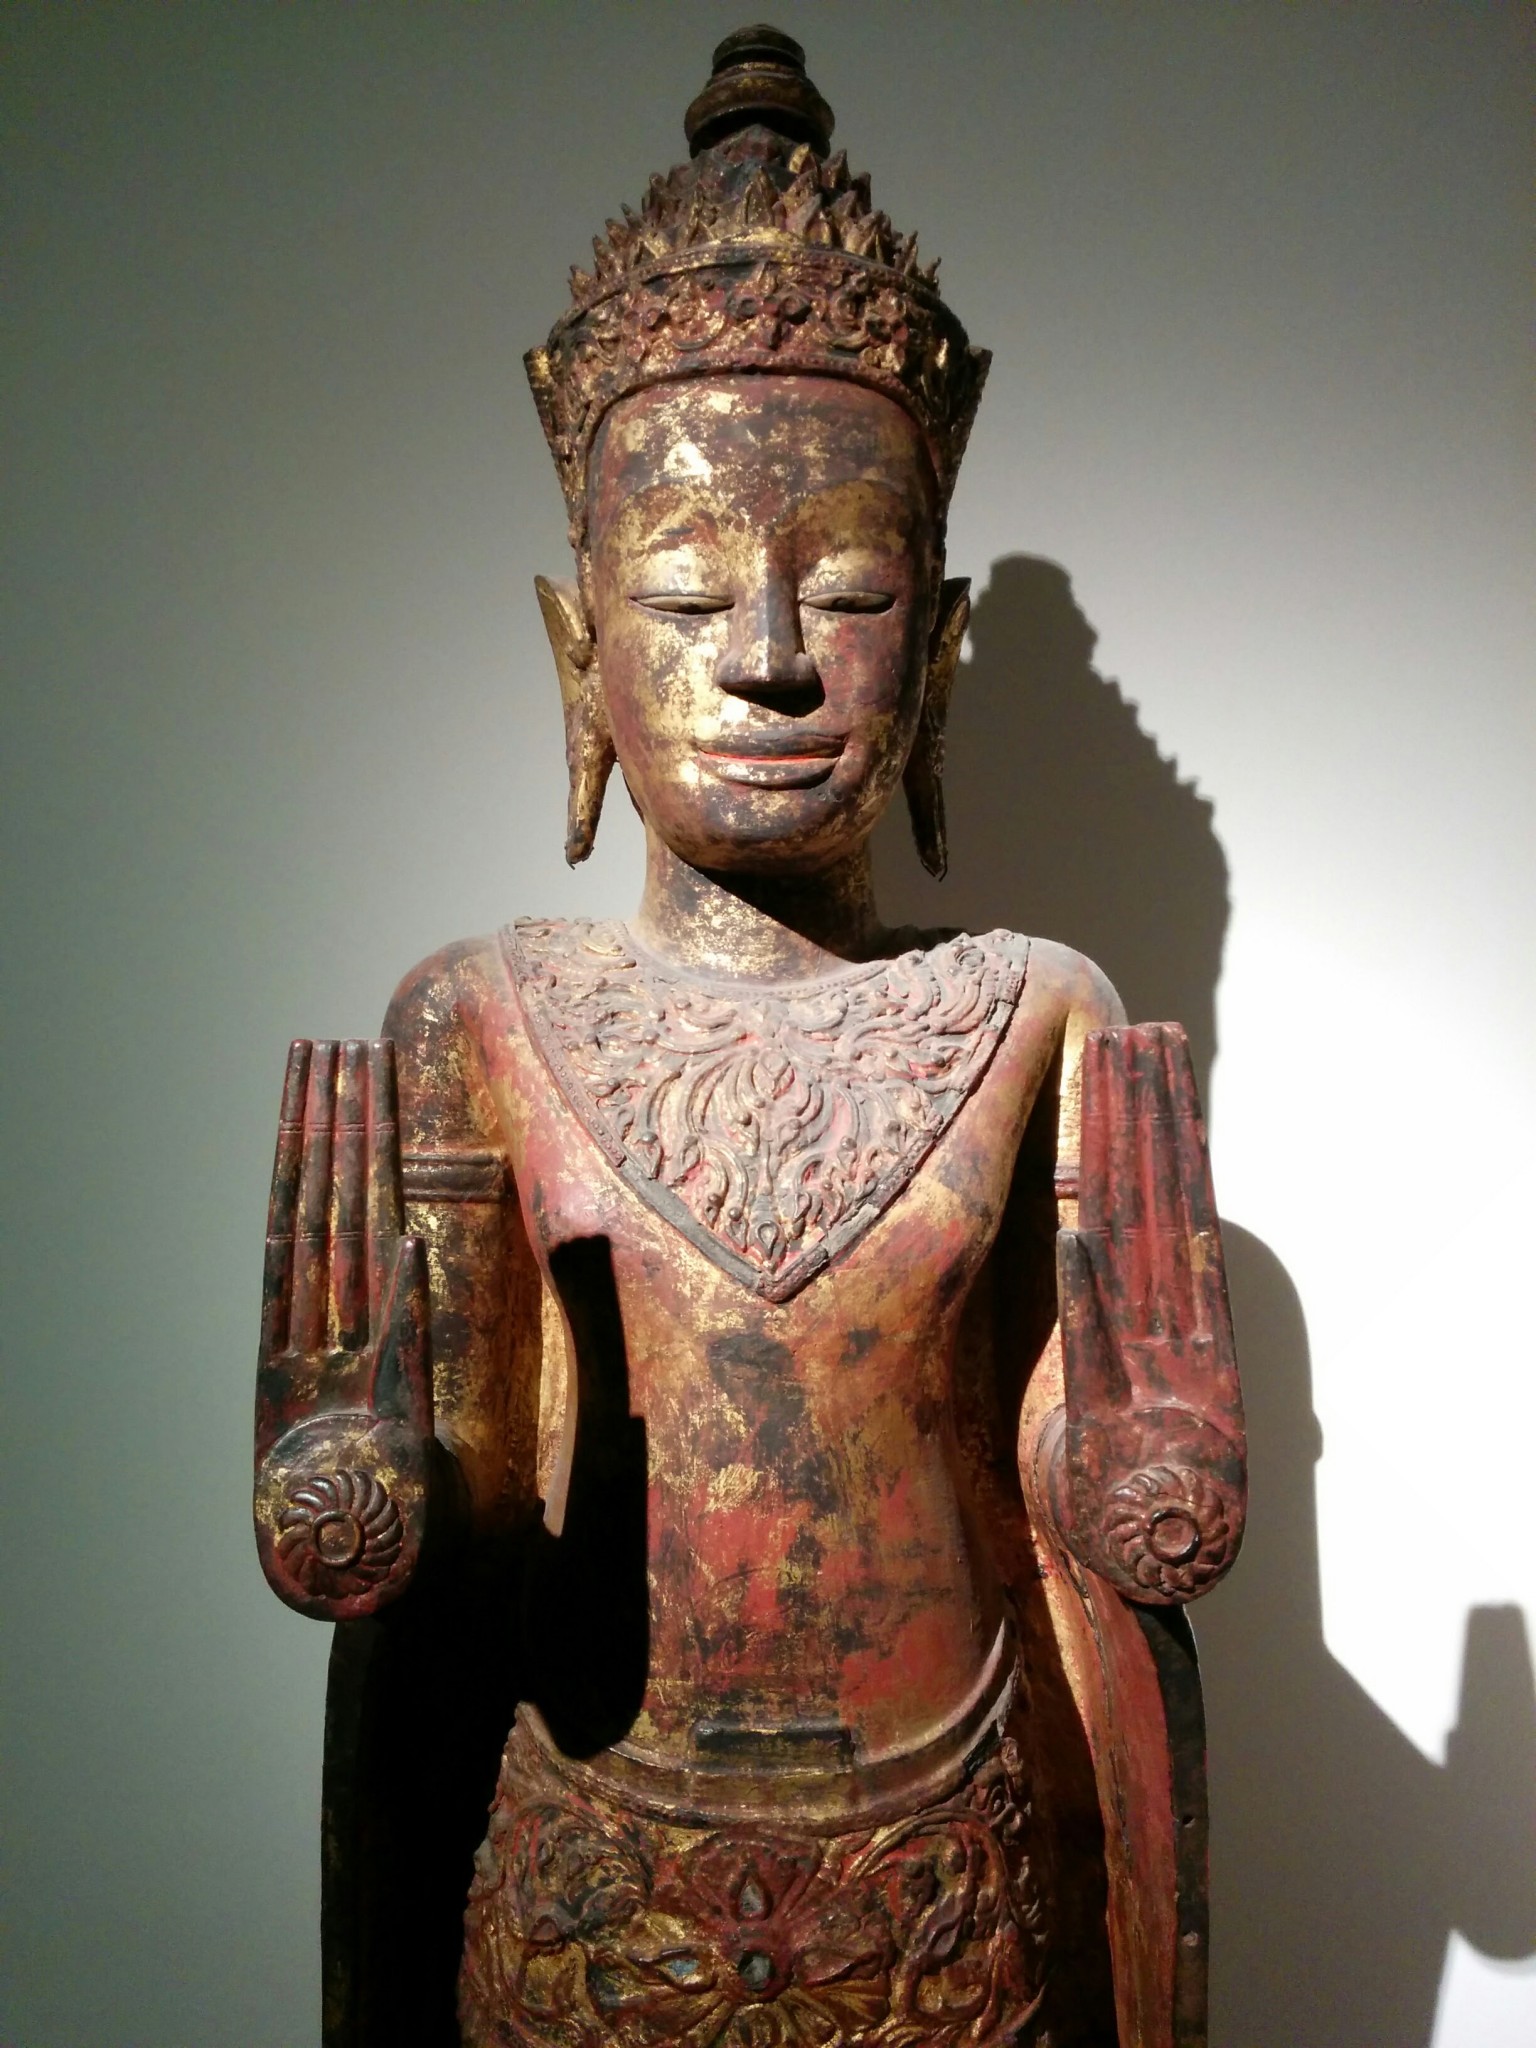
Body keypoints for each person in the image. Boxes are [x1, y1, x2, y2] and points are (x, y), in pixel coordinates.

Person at [253, 29, 1245, 2047]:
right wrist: (366, 1476)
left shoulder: (1034, 1010)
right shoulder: (482, 1019)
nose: (774, 658)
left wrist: (1132, 1454)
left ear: (934, 657)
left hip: (950, 1894)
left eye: (851, 590)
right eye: (691, 596)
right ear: (580, 655)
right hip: (591, 1887)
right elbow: (477, 1489)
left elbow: (1042, 1463)